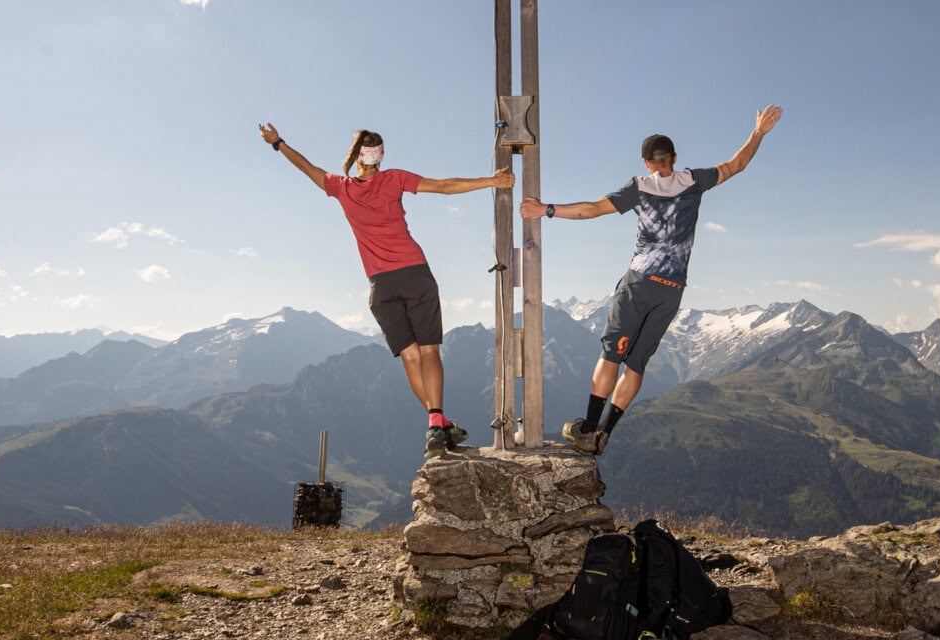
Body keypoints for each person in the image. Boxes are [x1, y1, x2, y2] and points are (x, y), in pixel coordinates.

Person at [519, 105, 783, 455]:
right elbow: (737, 165)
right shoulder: (693, 181)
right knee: (637, 363)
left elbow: (592, 209)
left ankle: (587, 427)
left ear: (646, 162)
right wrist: (758, 133)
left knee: (613, 354)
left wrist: (547, 210)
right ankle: (605, 433)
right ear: (673, 158)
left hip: (640, 283)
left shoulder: (639, 188)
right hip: (672, 291)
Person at [259, 123, 515, 458]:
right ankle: (438, 423)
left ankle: (437, 423)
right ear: (379, 157)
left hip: (380, 286)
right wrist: (493, 181)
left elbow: (308, 168)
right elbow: (446, 187)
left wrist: (277, 142)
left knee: (410, 357)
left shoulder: (342, 187)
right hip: (415, 275)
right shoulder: (394, 178)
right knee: (429, 352)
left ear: (356, 157)